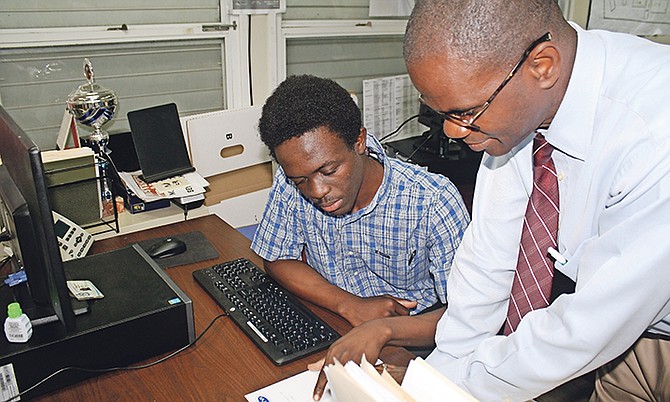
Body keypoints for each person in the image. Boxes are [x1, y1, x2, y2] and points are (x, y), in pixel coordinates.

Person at [312, 0, 670, 401]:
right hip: (626, 337)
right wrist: (437, 381)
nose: (452, 131)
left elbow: (588, 326)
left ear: (543, 66)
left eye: (464, 111)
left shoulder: (654, 133)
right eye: (440, 112)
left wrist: (451, 388)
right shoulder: (518, 112)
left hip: (623, 324)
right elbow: (487, 263)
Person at [251, 74, 470, 330]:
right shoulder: (297, 173)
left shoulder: (432, 200)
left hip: (412, 333)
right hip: (333, 315)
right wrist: (349, 304)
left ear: (359, 142)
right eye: (300, 181)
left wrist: (383, 331)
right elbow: (277, 258)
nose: (317, 190)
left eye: (330, 171)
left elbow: (465, 318)